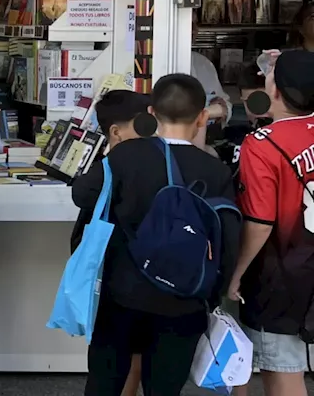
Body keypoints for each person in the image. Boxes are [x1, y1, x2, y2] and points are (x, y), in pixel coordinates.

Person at [72, 74, 240, 396]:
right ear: (203, 117)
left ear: (151, 114)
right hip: (184, 299)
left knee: (104, 380)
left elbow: (83, 194)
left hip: (121, 291)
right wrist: (216, 290)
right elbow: (227, 235)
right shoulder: (215, 171)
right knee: (165, 386)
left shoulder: (126, 156)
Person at [228, 49, 314, 396]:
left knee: (282, 372)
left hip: (282, 275)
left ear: (277, 90)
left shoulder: (263, 144)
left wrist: (236, 273)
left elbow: (260, 222)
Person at [71, 89, 150, 396]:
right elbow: (83, 195)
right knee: (113, 356)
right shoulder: (111, 165)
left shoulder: (115, 163)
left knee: (123, 353)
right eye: (142, 123)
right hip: (114, 278)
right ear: (115, 132)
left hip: (124, 277)